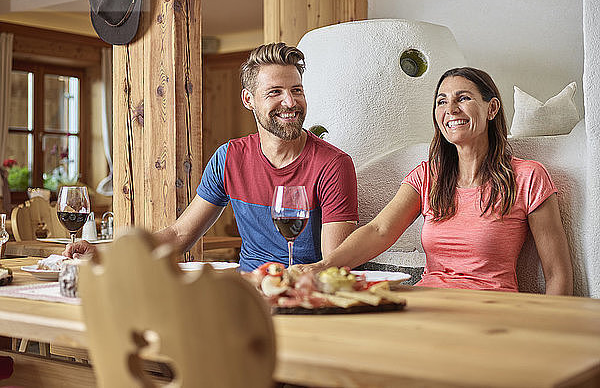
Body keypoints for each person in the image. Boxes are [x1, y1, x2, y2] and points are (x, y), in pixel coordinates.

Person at [65, 43, 358, 271]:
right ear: (248, 100)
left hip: (305, 296)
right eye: (275, 92)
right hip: (246, 296)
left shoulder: (333, 165)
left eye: (297, 90)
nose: (290, 102)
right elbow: (180, 235)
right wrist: (104, 253)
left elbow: (335, 264)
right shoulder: (228, 158)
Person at [300, 67, 573, 295]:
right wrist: (323, 266)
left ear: (491, 109)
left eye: (462, 98)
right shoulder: (426, 176)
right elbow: (379, 231)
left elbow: (557, 274)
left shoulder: (528, 177)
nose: (450, 109)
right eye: (441, 101)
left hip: (492, 311)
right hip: (427, 305)